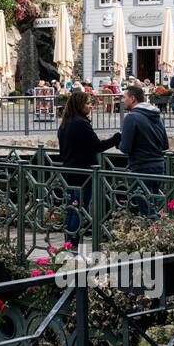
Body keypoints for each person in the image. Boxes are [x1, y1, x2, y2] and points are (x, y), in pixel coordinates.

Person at [57, 90, 120, 246]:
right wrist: (116, 138)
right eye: (88, 103)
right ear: (79, 105)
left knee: (73, 206)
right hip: (82, 173)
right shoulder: (80, 124)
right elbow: (96, 146)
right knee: (79, 208)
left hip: (70, 170)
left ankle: (68, 241)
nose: (90, 106)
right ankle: (72, 243)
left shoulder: (66, 123)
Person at [119, 84, 169, 217]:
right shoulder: (157, 115)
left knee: (147, 211)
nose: (122, 101)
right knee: (152, 207)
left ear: (133, 98)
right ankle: (158, 234)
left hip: (141, 168)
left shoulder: (131, 117)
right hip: (159, 166)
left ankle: (158, 235)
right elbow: (165, 145)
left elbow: (125, 148)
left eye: (124, 97)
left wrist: (119, 141)